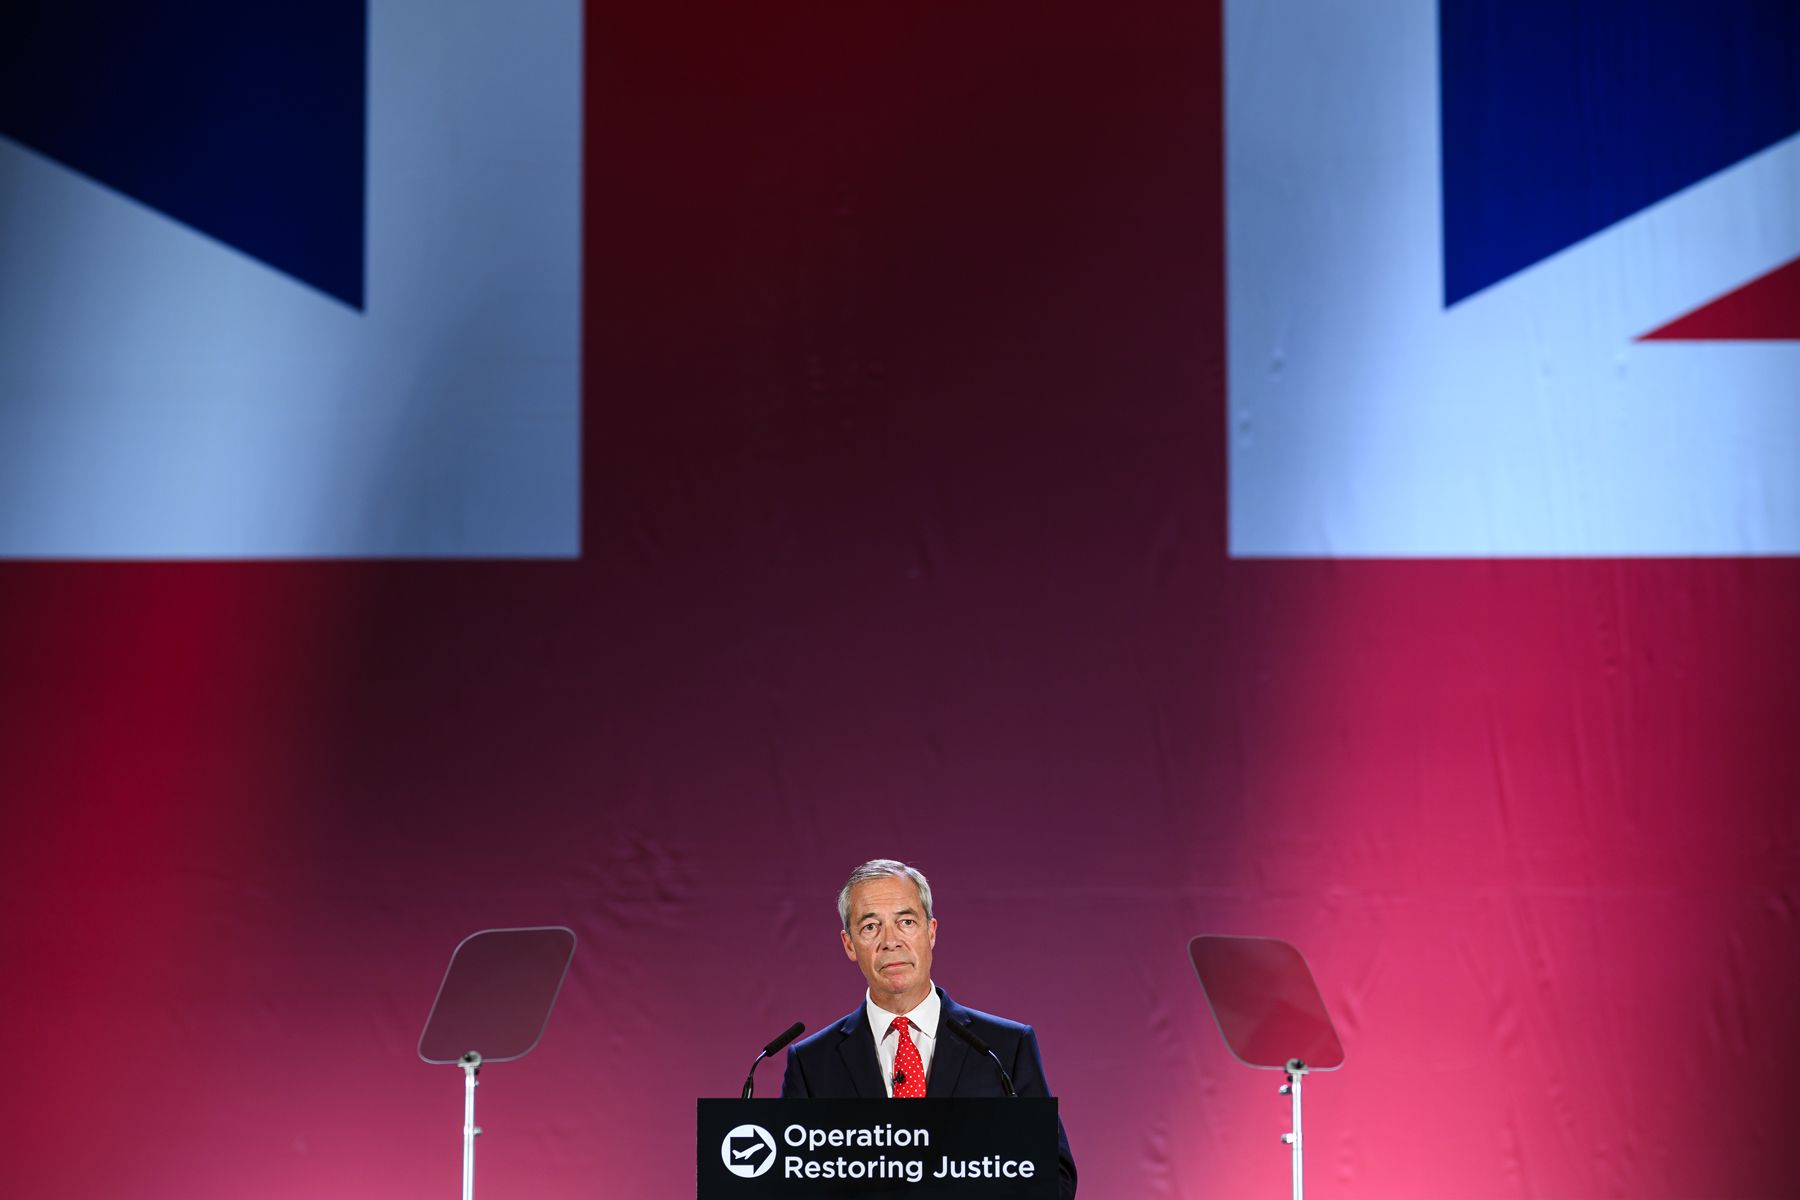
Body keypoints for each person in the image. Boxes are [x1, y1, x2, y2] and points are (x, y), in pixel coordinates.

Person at [781, 859, 1077, 1197]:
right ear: (849, 944)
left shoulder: (1005, 1048)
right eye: (871, 927)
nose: (891, 941)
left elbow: (1054, 1178)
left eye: (906, 922)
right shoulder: (811, 1064)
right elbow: (792, 1184)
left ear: (931, 932)